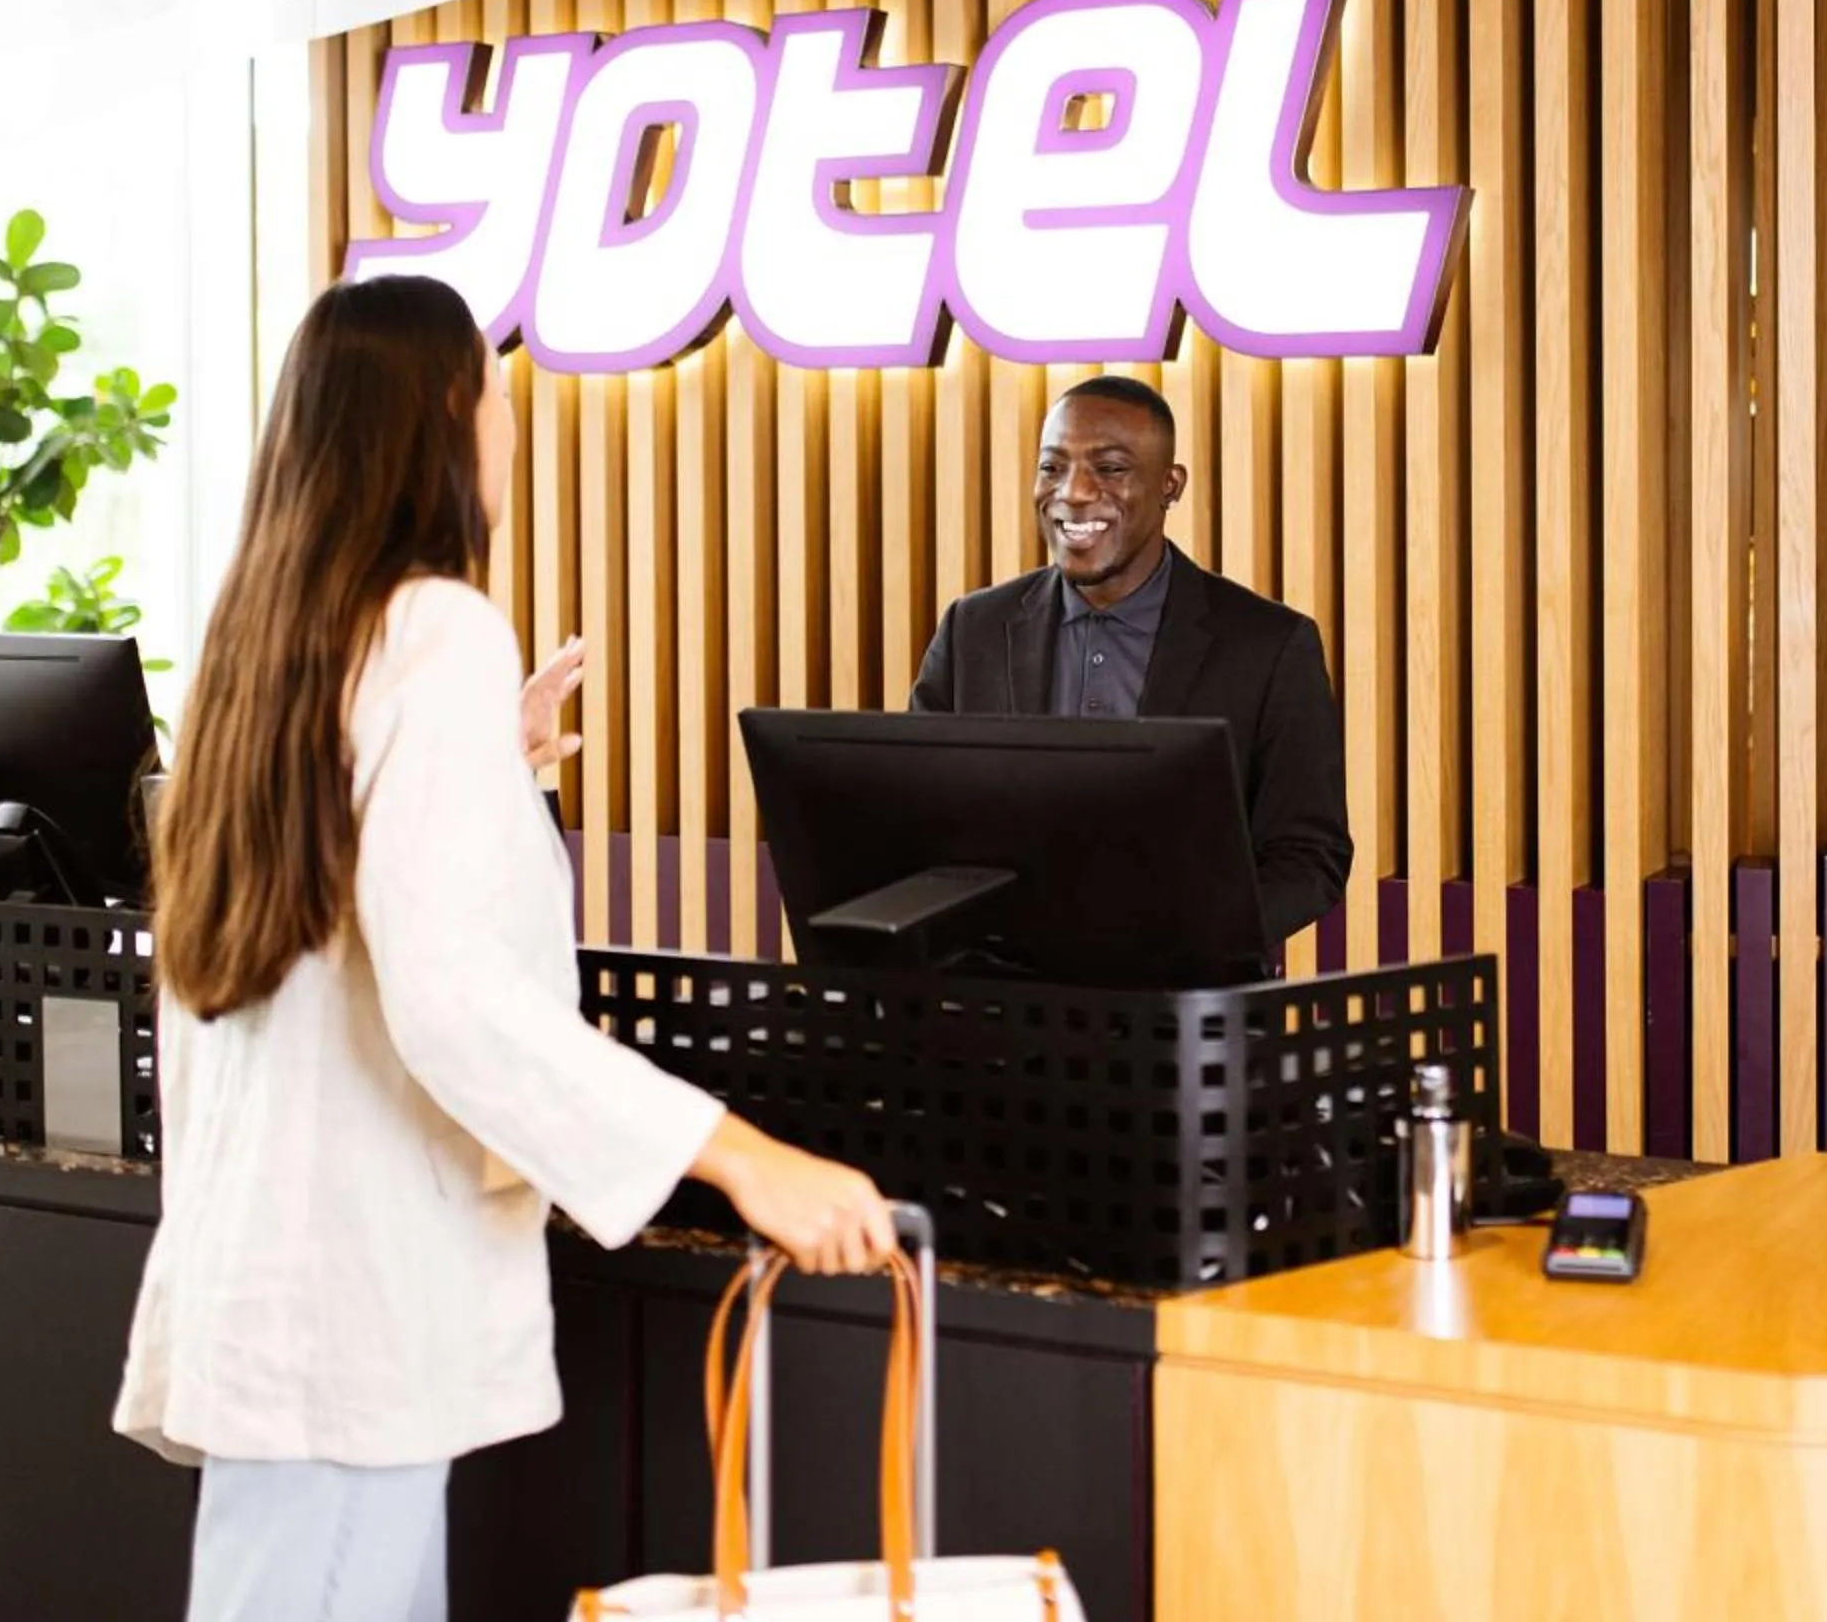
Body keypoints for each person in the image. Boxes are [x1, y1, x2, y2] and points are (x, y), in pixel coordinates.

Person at [114, 276, 892, 1622]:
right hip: (352, 1325)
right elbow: (458, 997)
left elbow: (333, 908)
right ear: (438, 427)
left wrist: (499, 772)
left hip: (274, 1302)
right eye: (495, 397)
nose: (512, 426)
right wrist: (744, 1155)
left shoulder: (265, 640)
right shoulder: (439, 628)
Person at [908, 374, 1353, 947]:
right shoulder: (974, 630)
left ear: (1170, 485)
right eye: (1052, 466)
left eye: (1111, 468)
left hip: (1185, 1014)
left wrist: (1184, 943)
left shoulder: (1269, 645)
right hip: (1000, 1008)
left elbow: (1308, 857)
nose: (1073, 491)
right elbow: (920, 821)